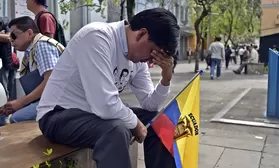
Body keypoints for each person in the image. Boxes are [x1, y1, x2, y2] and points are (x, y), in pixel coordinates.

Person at [36, 8, 179, 168]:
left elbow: (150, 105)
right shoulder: (97, 37)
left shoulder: (137, 61)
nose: (151, 60)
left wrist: (166, 78)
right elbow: (104, 104)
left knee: (159, 121)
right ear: (141, 34)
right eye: (153, 52)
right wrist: (135, 123)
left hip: (93, 113)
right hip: (58, 114)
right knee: (116, 131)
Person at [0, 16, 62, 124]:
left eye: (14, 35)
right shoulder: (32, 50)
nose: (10, 40)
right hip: (49, 98)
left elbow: (51, 81)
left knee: (16, 119)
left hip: (59, 100)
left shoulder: (42, 45)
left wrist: (22, 102)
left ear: (29, 33)